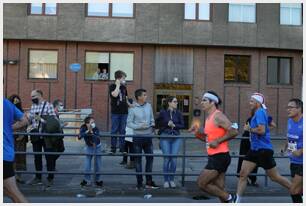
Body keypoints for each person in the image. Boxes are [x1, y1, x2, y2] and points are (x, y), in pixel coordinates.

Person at [232, 93, 291, 203]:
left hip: (263, 150)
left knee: (275, 177)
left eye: (252, 101)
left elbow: (261, 130)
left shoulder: (260, 112)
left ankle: (297, 191)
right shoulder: (258, 113)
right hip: (254, 149)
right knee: (243, 174)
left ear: (258, 103)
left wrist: (249, 129)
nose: (249, 103)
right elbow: (265, 129)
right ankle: (237, 200)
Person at [189, 91, 238, 202]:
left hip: (220, 156)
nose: (202, 103)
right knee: (220, 188)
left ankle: (231, 198)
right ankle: (228, 200)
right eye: (202, 100)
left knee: (202, 183)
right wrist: (197, 134)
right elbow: (209, 140)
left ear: (212, 102)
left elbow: (234, 131)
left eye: (204, 100)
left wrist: (218, 141)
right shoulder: (208, 118)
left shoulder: (218, 116)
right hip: (214, 156)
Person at [127, 89, 159, 190]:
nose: (146, 96)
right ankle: (139, 183)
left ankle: (149, 182)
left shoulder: (148, 106)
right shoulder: (132, 108)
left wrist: (152, 124)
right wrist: (138, 126)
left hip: (148, 136)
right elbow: (129, 123)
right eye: (144, 95)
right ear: (139, 97)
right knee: (138, 161)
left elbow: (152, 118)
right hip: (137, 137)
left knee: (150, 159)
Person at [27, 89, 57, 186]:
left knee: (49, 157)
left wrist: (41, 119)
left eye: (33, 96)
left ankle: (50, 178)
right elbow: (30, 119)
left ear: (40, 95)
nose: (32, 99)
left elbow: (54, 121)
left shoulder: (48, 106)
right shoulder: (33, 106)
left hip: (46, 135)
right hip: (35, 135)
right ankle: (38, 177)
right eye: (31, 97)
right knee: (37, 157)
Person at [236, 114, 276, 187]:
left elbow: (273, 125)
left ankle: (250, 178)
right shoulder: (260, 117)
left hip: (252, 140)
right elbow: (273, 125)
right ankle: (250, 179)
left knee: (251, 158)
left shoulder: (259, 117)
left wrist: (264, 130)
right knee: (248, 158)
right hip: (249, 140)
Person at [155, 96, 184, 188]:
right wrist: (166, 124)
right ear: (169, 103)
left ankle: (172, 179)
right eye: (175, 101)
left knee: (174, 159)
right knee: (167, 158)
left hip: (176, 137)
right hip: (165, 136)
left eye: (176, 101)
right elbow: (157, 123)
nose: (176, 103)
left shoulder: (178, 113)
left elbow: (183, 125)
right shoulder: (163, 113)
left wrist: (174, 125)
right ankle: (166, 180)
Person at [3, 98, 29, 202]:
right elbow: (25, 120)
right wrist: (8, 128)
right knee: (8, 190)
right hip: (7, 152)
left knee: (13, 192)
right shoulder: (7, 103)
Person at [283, 98, 303, 203]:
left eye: (291, 107)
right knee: (300, 191)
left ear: (299, 109)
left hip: (302, 162)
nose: (288, 110)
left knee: (294, 190)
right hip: (294, 160)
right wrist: (285, 147)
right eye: (287, 107)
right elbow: (289, 136)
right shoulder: (290, 121)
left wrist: (301, 151)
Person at [109, 70, 131, 155]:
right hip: (115, 112)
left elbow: (125, 97)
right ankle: (113, 148)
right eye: (123, 78)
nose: (124, 80)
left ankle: (122, 147)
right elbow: (114, 95)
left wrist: (130, 105)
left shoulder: (124, 87)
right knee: (114, 130)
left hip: (124, 112)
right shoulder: (112, 86)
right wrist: (117, 85)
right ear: (118, 78)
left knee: (123, 130)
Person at [8, 94, 28, 184]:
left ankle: (18, 176)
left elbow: (25, 123)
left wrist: (22, 134)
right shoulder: (7, 111)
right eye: (14, 101)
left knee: (20, 157)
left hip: (20, 139)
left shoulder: (20, 112)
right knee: (11, 157)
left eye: (16, 101)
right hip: (9, 138)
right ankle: (11, 177)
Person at [79, 116, 103, 187]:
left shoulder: (95, 128)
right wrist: (87, 131)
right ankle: (86, 180)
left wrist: (92, 132)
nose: (93, 124)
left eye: (93, 122)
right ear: (87, 124)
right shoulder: (83, 127)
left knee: (98, 164)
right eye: (92, 122)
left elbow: (97, 138)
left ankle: (97, 180)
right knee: (87, 165)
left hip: (97, 147)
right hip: (89, 147)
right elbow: (79, 137)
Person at [122, 98, 135, 169]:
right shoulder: (127, 111)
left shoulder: (132, 110)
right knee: (126, 147)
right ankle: (125, 160)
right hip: (127, 131)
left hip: (131, 132)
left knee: (131, 148)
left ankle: (132, 163)